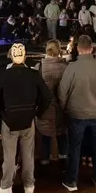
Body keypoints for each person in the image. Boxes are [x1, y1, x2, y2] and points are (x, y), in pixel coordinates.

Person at [0, 42, 52, 193]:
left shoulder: (3, 75)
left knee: (9, 156)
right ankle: (29, 185)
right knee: (28, 154)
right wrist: (37, 112)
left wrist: (0, 114)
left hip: (9, 120)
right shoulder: (33, 74)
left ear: (11, 55)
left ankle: (7, 186)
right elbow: (47, 97)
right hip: (28, 120)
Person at [58, 34, 96, 192]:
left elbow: (62, 92)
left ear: (77, 49)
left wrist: (65, 107)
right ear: (92, 48)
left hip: (76, 113)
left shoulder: (72, 68)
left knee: (75, 146)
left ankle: (72, 181)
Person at [35, 39, 68, 167]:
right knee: (61, 135)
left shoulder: (40, 67)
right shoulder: (66, 67)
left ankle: (44, 161)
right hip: (61, 107)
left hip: (45, 108)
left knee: (45, 136)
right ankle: (64, 160)